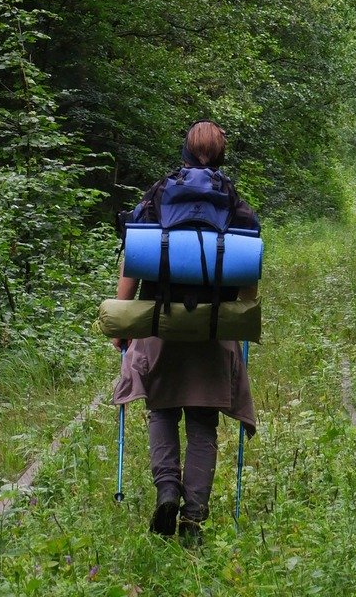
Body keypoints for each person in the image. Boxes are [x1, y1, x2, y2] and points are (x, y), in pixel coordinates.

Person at [111, 120, 259, 541]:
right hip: (212, 328)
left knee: (161, 409)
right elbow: (248, 274)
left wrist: (124, 321)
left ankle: (167, 492)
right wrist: (236, 316)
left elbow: (133, 259)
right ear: (221, 155)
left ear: (186, 150)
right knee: (202, 422)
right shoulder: (234, 201)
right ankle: (193, 516)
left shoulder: (159, 194)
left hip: (160, 323)